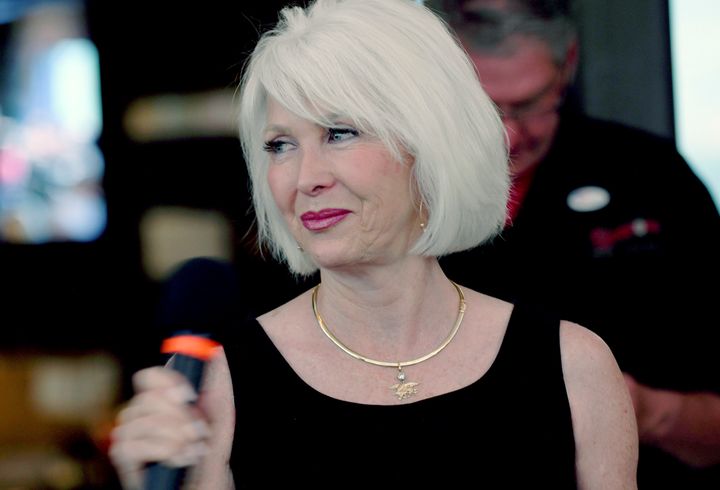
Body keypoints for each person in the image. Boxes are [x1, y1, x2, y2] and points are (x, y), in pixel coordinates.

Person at [108, 0, 638, 487]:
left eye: (340, 133)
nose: (305, 177)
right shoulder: (217, 390)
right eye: (280, 145)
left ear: (429, 144)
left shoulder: (575, 365)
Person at [438, 0, 720, 488]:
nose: (507, 136)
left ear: (568, 64)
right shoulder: (402, 190)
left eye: (528, 105)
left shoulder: (652, 178)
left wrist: (648, 412)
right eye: (480, 107)